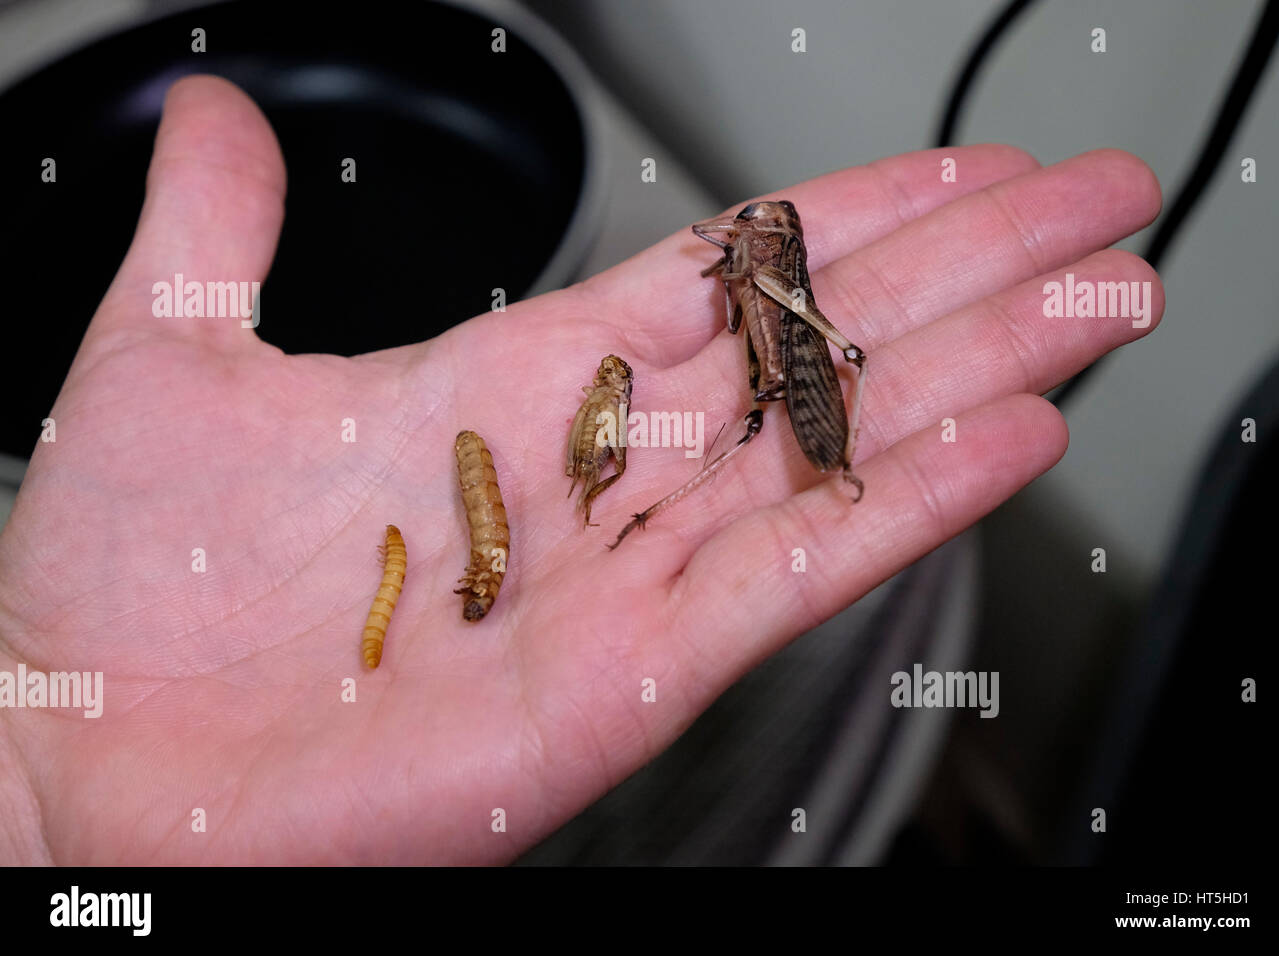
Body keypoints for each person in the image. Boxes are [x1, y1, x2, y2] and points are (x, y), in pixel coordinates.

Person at [0, 76, 1163, 864]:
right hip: (757, 366)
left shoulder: (767, 270)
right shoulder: (741, 264)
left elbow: (766, 292)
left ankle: (810, 485)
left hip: (795, 364)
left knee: (785, 424)